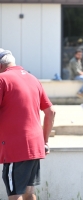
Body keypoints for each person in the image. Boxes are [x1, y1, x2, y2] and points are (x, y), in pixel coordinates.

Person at [0, 49, 56, 200]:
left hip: (14, 148)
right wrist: (45, 141)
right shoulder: (33, 79)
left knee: (14, 194)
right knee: (28, 192)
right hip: (35, 145)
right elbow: (51, 111)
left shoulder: (2, 79)